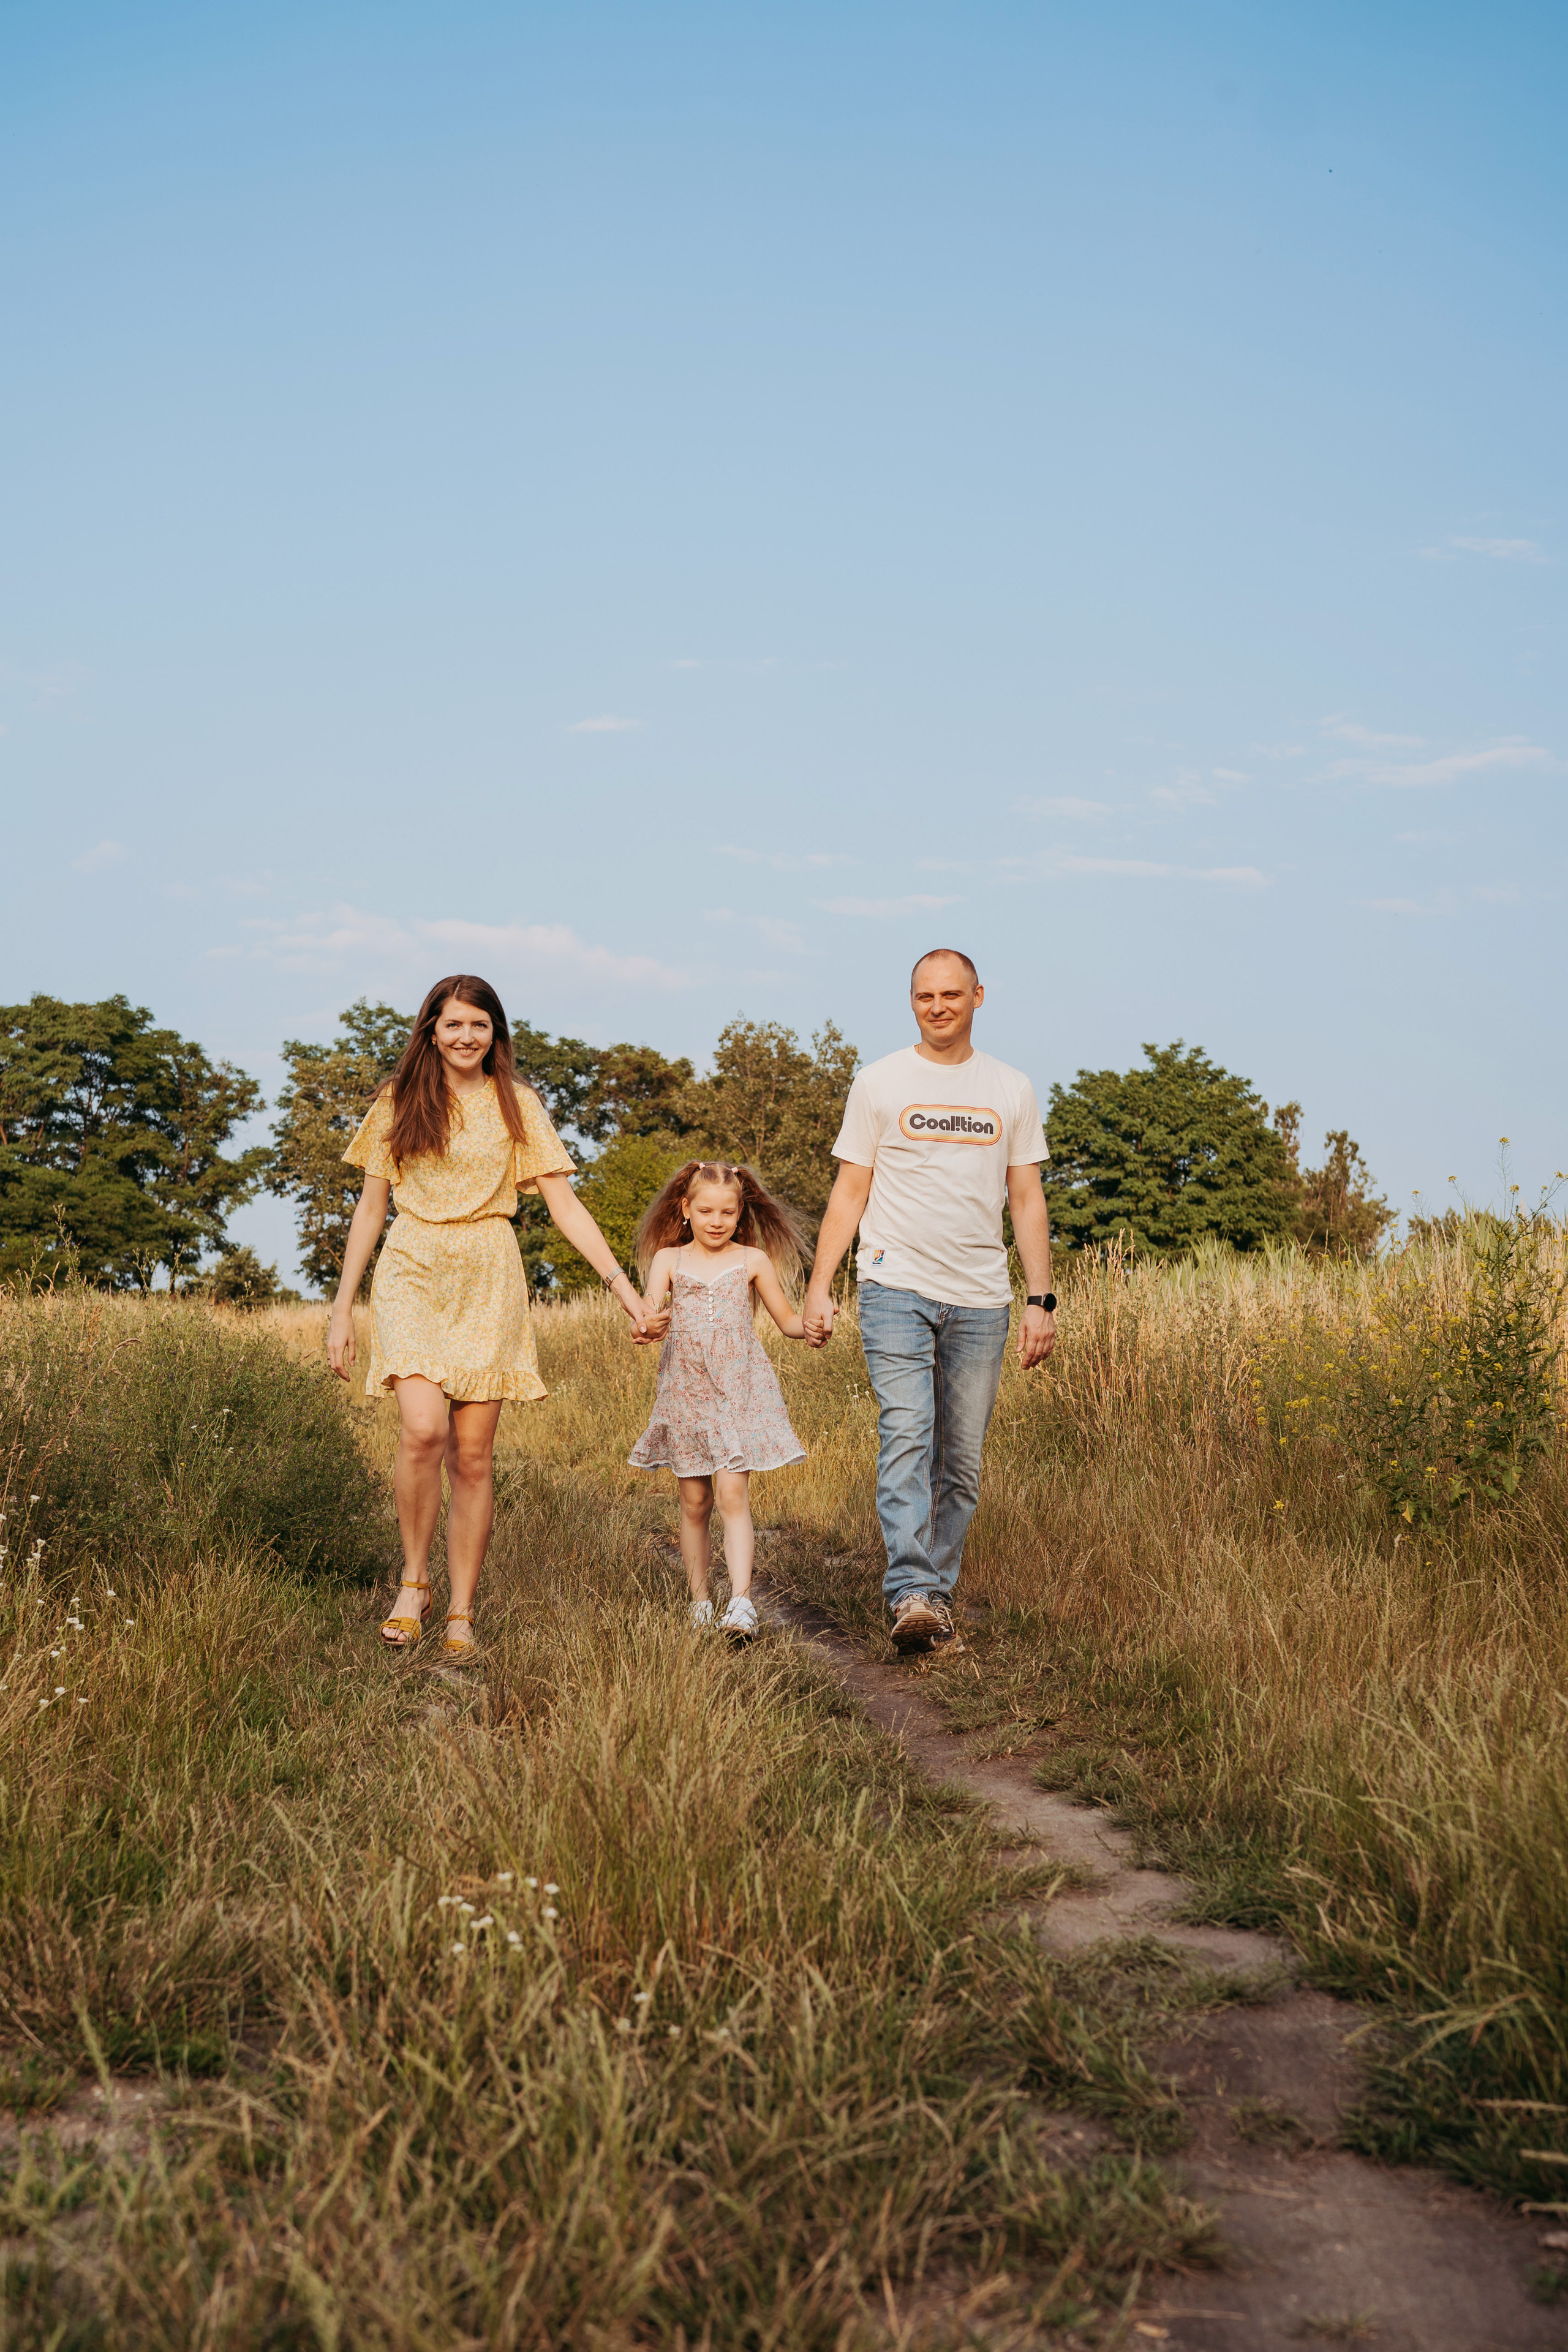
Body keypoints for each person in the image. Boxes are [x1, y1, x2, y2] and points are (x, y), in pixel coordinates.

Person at [326, 973, 654, 1657]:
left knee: (472, 1456)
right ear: (432, 1032)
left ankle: (461, 1612)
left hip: (488, 1271)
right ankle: (414, 1583)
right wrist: (341, 1308)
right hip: (412, 1266)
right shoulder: (397, 1101)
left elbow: (564, 1205)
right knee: (423, 1432)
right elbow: (370, 1208)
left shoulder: (519, 1103)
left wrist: (625, 1288)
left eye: (479, 1025)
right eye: (453, 1025)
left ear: (494, 1033)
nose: (466, 1036)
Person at [801, 949, 1056, 1654]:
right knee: (908, 1433)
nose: (937, 1006)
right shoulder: (879, 1081)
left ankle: (934, 1600)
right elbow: (850, 1190)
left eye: (950, 994)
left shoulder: (1010, 1087)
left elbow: (1026, 1197)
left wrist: (1041, 1299)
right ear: (910, 1001)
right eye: (923, 996)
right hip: (893, 1283)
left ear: (978, 996)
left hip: (981, 1298)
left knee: (962, 1460)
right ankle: (910, 1589)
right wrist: (821, 1286)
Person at [628, 1161, 809, 1642]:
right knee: (694, 1501)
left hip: (738, 1391)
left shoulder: (752, 1261)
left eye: (727, 1212)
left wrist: (810, 1327)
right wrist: (646, 1327)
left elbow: (787, 1319)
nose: (716, 1220)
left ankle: (742, 1603)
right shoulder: (669, 1260)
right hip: (686, 1393)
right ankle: (701, 1601)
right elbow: (648, 1313)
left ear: (739, 1211)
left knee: (732, 1494)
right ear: (686, 1209)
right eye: (705, 1210)